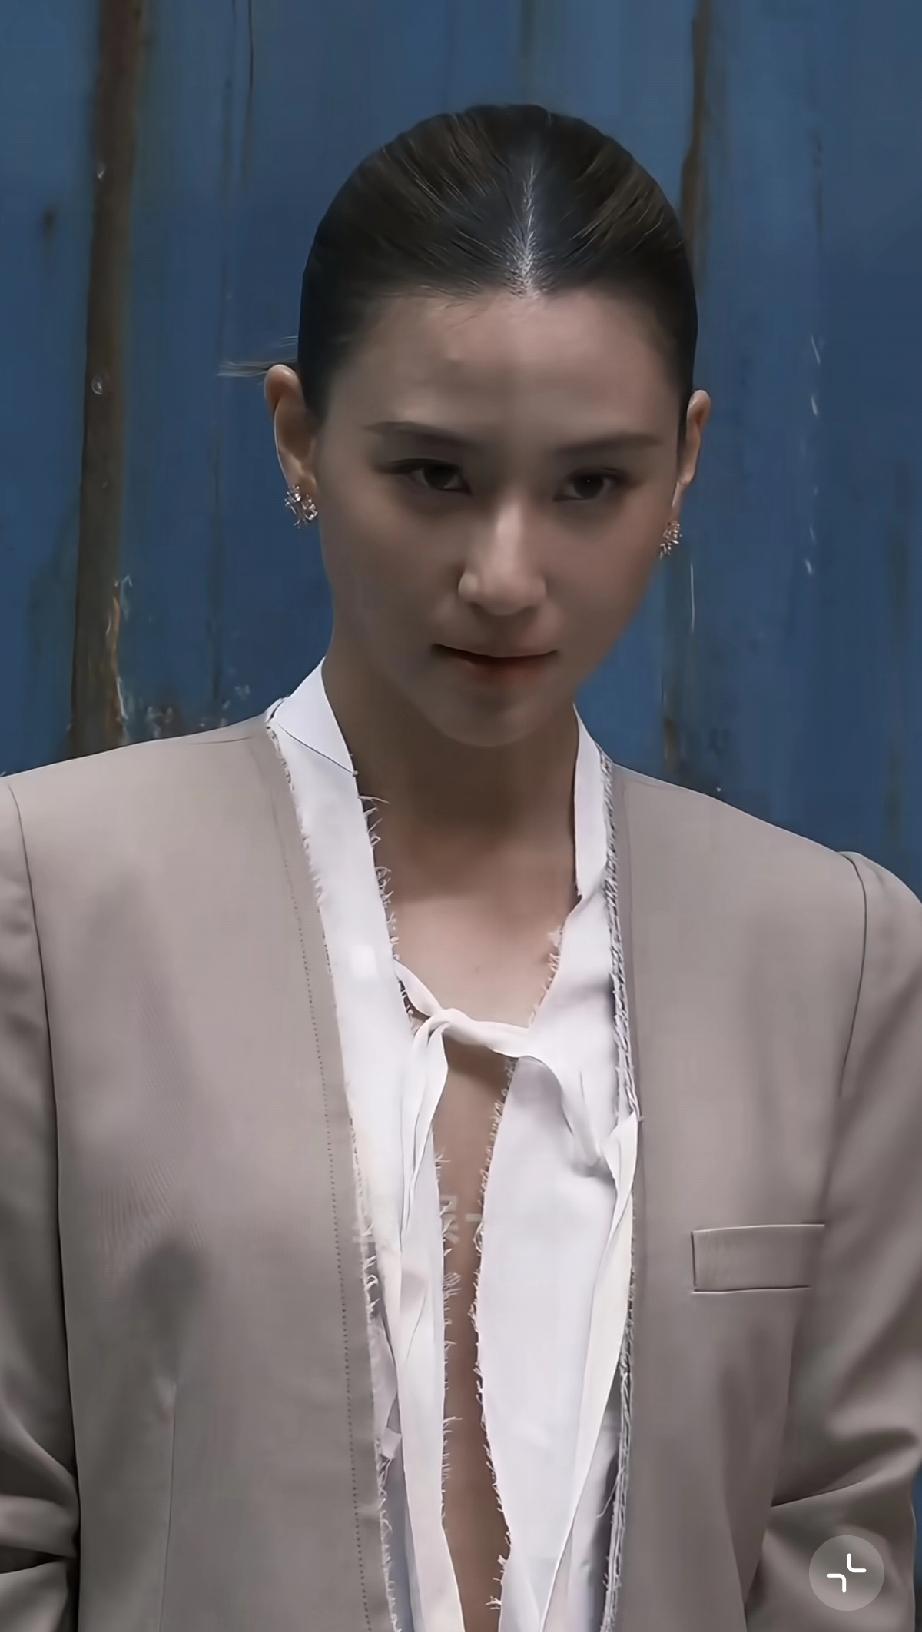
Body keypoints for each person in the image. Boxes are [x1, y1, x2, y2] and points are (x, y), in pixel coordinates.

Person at [1, 101, 920, 1632]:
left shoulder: (831, 956)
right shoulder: (51, 897)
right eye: (432, 475)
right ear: (299, 436)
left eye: (588, 486)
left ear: (683, 465)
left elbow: (841, 1540)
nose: (504, 574)